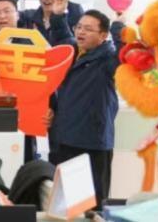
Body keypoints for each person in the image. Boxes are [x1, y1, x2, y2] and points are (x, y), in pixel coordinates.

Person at [48, 10, 120, 206]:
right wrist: (58, 16)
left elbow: (124, 57)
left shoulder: (108, 59)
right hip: (65, 140)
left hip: (93, 143)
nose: (81, 32)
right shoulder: (74, 54)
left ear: (103, 35)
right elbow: (62, 37)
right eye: (78, 27)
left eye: (88, 29)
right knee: (66, 202)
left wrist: (119, 26)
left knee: (93, 205)